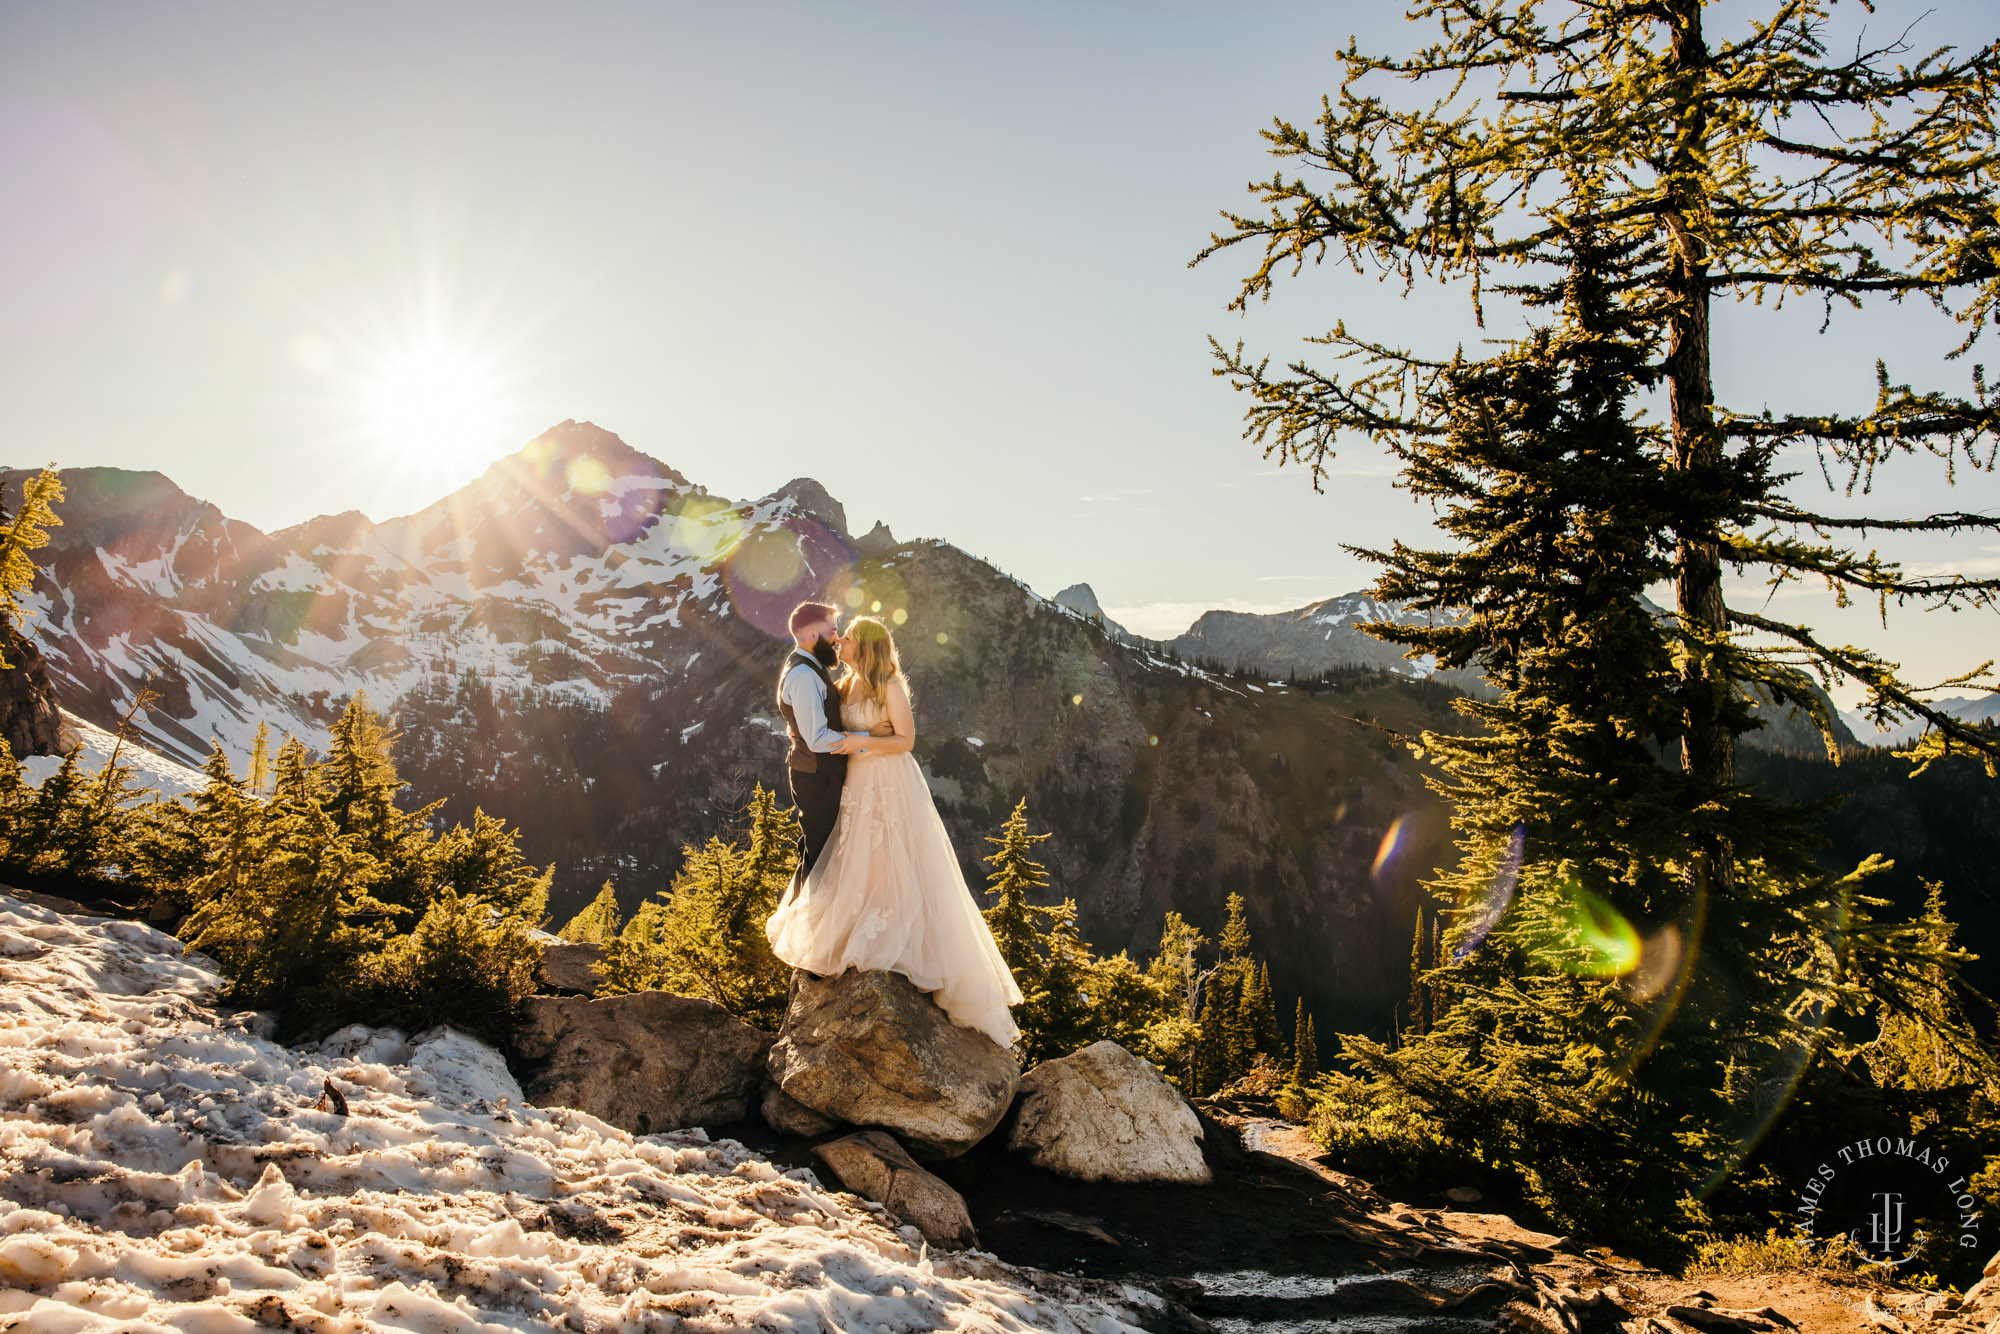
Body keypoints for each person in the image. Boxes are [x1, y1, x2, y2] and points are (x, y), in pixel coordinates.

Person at [767, 616, 1023, 1049]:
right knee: (857, 854)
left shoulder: (890, 685)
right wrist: (865, 733)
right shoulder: (846, 685)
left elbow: (906, 740)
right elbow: (837, 731)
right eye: (837, 633)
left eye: (847, 637)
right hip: (857, 780)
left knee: (893, 854)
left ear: (865, 646)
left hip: (888, 778)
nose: (840, 641)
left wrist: (862, 741)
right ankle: (859, 928)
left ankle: (901, 943)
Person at [776, 601, 848, 876]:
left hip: (819, 774)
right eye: (831, 631)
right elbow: (817, 739)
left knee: (817, 853)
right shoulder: (805, 675)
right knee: (820, 859)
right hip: (818, 778)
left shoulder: (809, 667)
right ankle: (808, 916)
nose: (837, 638)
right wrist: (866, 740)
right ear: (811, 633)